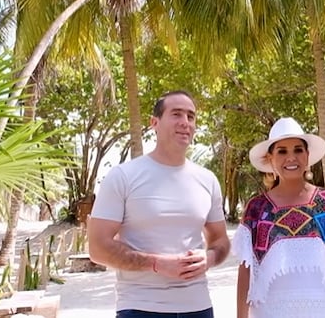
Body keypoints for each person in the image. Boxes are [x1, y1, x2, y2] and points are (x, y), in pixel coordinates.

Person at [87, 90, 230, 318]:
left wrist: (210, 258)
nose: (185, 123)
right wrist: (158, 264)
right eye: (176, 114)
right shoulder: (123, 176)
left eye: (191, 116)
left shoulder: (207, 180)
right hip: (140, 307)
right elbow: (97, 248)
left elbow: (220, 240)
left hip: (199, 307)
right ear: (155, 123)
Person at [233, 117, 325, 318]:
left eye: (297, 150)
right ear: (270, 159)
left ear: (307, 155)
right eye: (282, 151)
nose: (291, 157)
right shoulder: (257, 209)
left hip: (324, 310)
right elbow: (246, 271)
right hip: (271, 312)